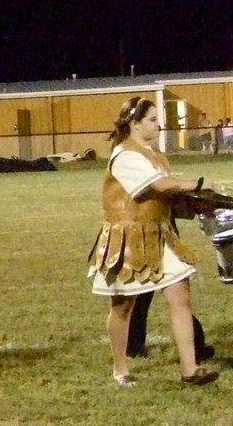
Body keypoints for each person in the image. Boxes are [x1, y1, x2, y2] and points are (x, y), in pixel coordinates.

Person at [87, 96, 220, 387]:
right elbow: (158, 186)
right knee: (123, 307)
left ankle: (190, 369)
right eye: (151, 119)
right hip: (128, 238)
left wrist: (196, 205)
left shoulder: (156, 155)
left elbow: (166, 199)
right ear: (134, 123)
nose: (158, 124)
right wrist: (197, 184)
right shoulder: (124, 155)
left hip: (161, 234)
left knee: (180, 295)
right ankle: (120, 369)